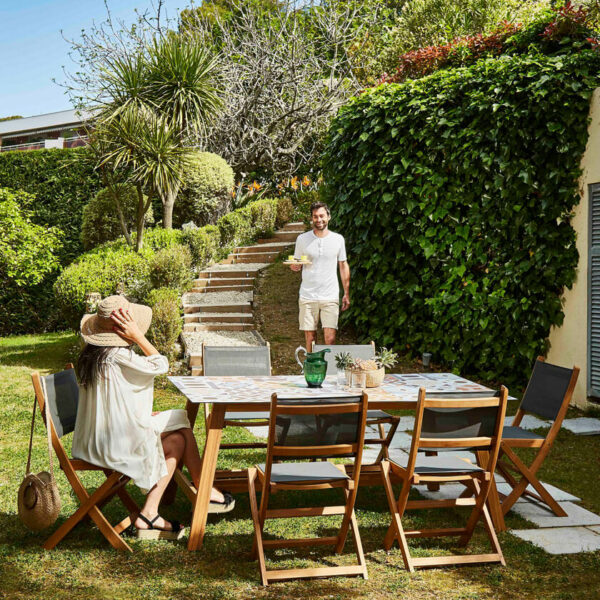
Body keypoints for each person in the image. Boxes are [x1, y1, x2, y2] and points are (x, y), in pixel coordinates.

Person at [72, 295, 234, 540]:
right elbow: (160, 364)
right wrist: (138, 336)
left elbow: (113, 400)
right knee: (181, 420)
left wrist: (142, 415)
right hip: (110, 444)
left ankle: (150, 513)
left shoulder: (94, 356)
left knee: (177, 440)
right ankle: (204, 488)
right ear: (123, 329)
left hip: (96, 437)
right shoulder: (118, 356)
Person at [289, 201, 350, 350]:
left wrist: (346, 293)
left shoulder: (338, 239)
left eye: (322, 216)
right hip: (308, 296)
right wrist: (294, 266)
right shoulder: (302, 239)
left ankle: (329, 371)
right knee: (310, 339)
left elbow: (343, 265)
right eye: (315, 217)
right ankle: (311, 372)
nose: (319, 220)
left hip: (330, 296)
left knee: (330, 339)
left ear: (328, 217)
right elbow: (296, 263)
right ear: (312, 219)